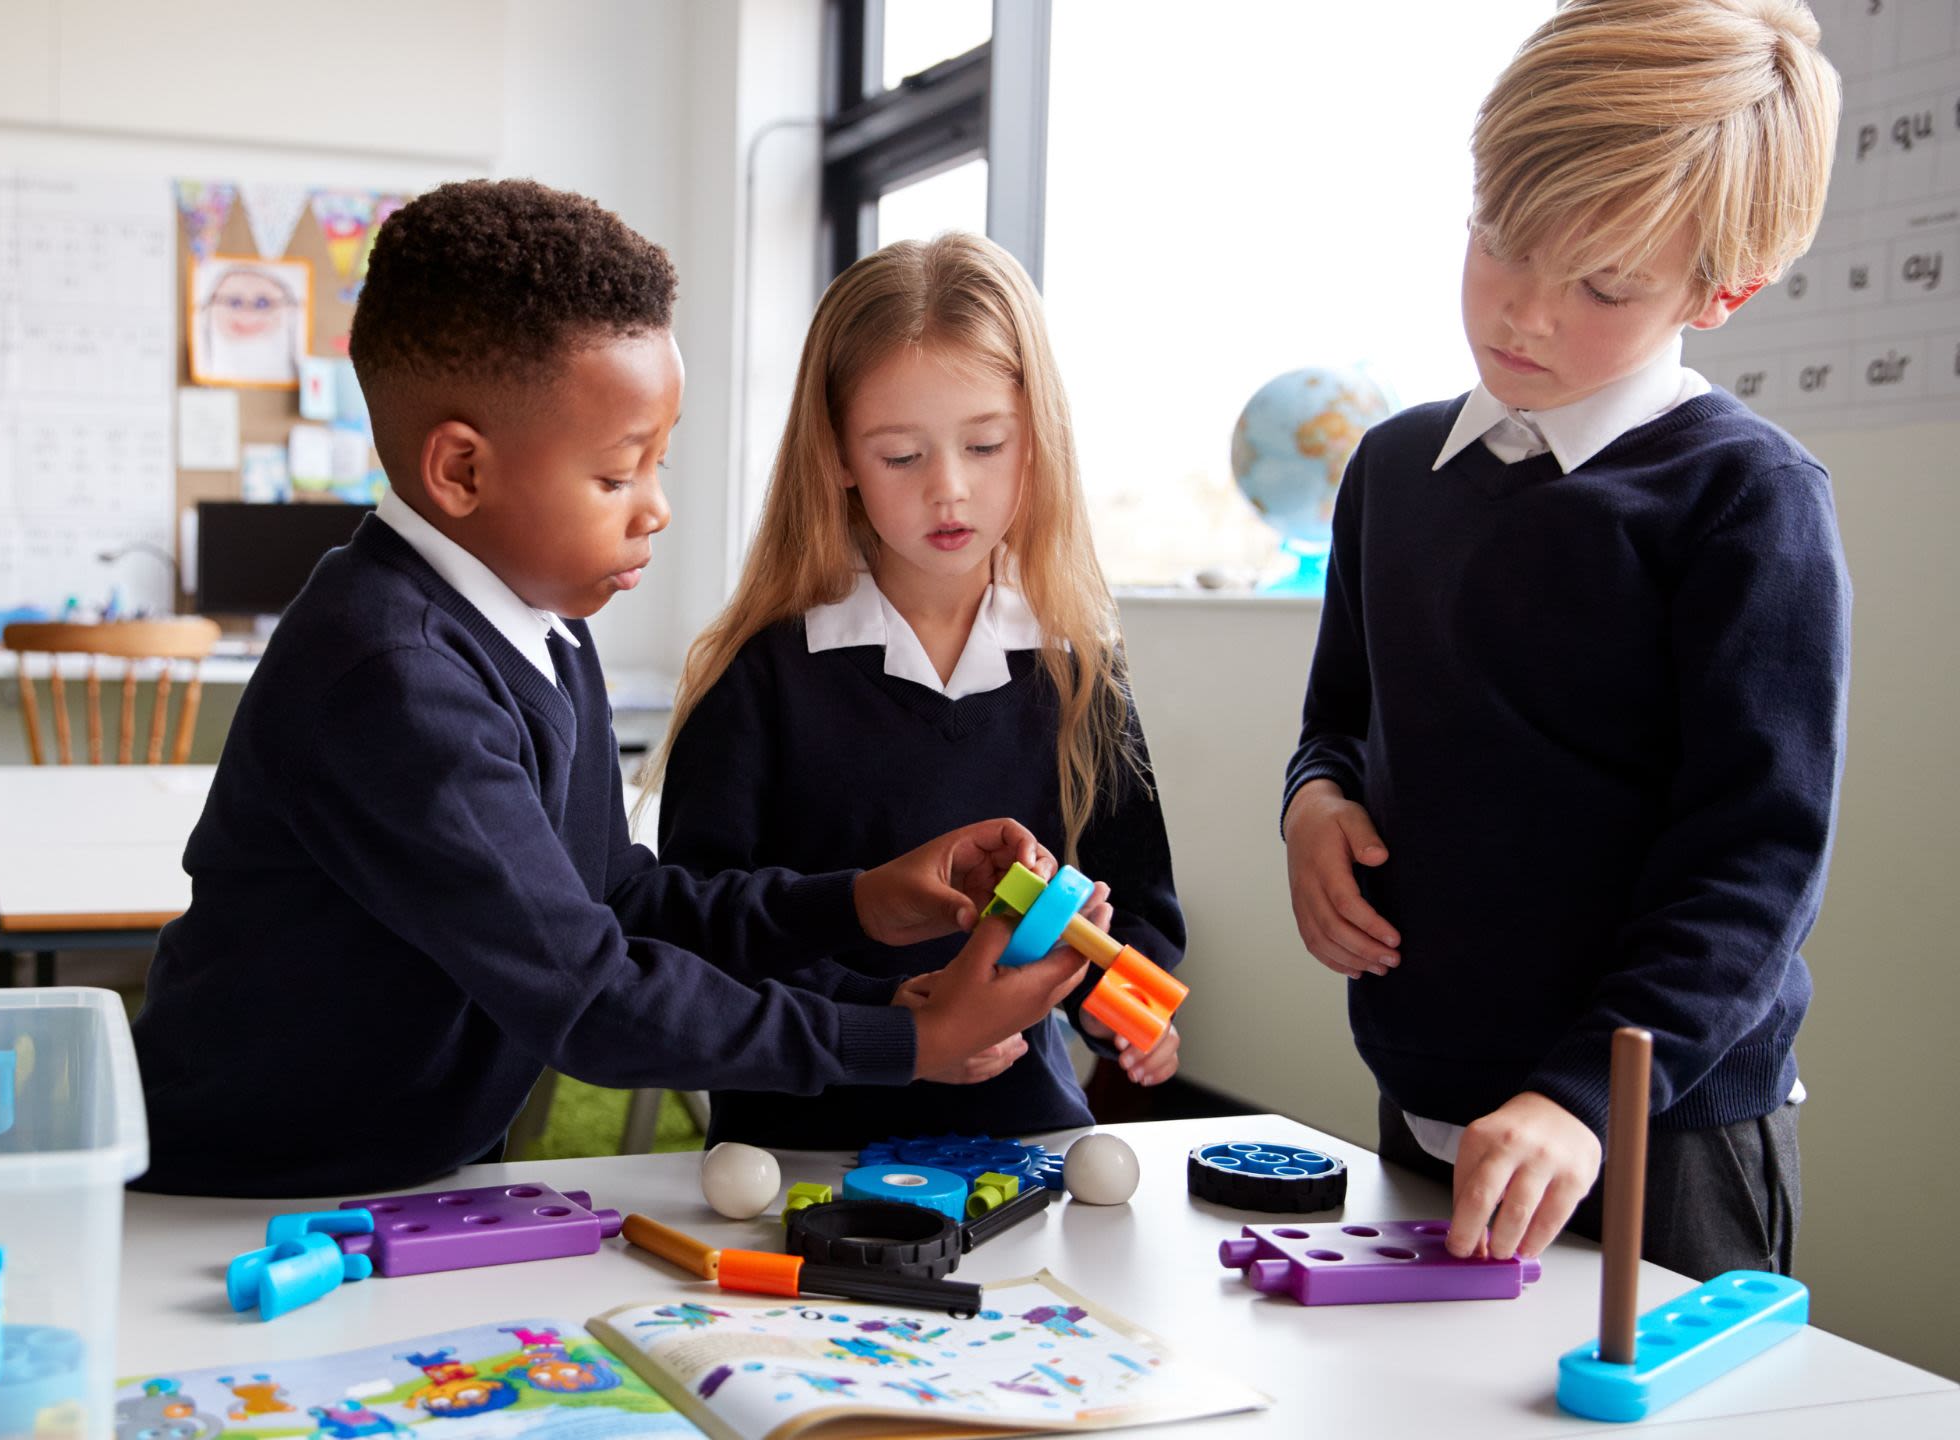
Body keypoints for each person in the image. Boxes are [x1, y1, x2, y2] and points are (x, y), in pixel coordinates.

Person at [132, 180, 1088, 1198]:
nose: (657, 510)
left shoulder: (544, 629)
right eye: (618, 475)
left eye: (659, 464)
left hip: (408, 1164)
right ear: (461, 470)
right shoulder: (393, 679)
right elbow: (586, 993)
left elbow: (619, 900)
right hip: (244, 1185)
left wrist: (862, 901)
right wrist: (901, 1040)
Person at [1281, 0, 1845, 1278]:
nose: (1523, 314)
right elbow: (1337, 723)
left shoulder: (1746, 500)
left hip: (1655, 1129)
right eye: (1500, 244)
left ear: (1723, 289)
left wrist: (1585, 1094)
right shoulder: (1391, 469)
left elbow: (1755, 859)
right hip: (1430, 1097)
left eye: (1601, 286)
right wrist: (1311, 805)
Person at [649, 232, 1184, 1150]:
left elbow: (1132, 905)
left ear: (1036, 440)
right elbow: (703, 928)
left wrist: (1120, 1005)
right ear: (839, 457)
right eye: (902, 456)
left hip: (1019, 1131)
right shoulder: (761, 675)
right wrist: (891, 1017)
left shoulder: (1078, 669)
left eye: (985, 445)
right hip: (803, 1130)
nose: (950, 491)